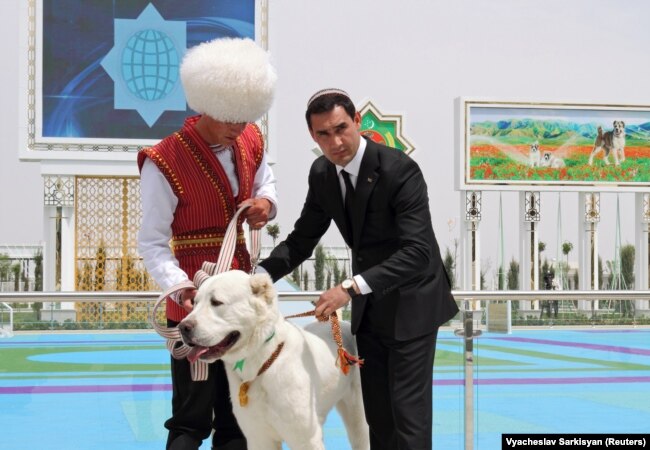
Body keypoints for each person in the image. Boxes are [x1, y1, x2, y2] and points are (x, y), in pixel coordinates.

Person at [257, 88, 459, 449]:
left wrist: (348, 289)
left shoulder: (400, 170)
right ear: (312, 135)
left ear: (358, 122)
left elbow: (417, 252)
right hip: (372, 307)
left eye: (341, 128)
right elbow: (302, 240)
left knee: (407, 418)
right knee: (378, 418)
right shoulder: (321, 173)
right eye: (324, 134)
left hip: (413, 304)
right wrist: (256, 277)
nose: (335, 142)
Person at [137, 38, 277, 450]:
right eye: (230, 116)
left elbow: (266, 182)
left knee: (240, 417)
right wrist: (185, 290)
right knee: (190, 419)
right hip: (193, 301)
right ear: (205, 102)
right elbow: (152, 243)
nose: (240, 126)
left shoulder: (251, 137)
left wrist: (267, 204)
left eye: (247, 115)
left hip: (240, 305)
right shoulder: (164, 159)